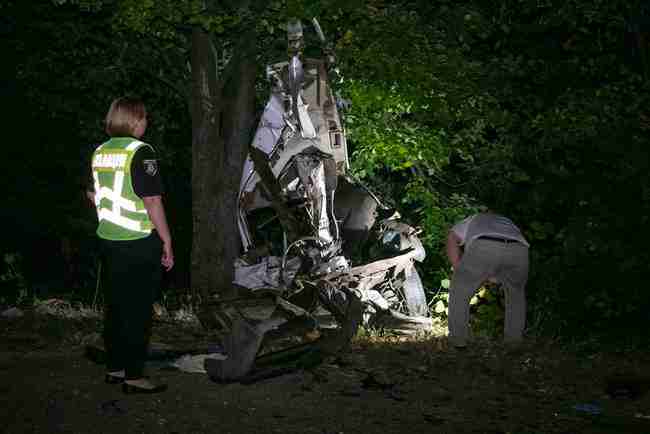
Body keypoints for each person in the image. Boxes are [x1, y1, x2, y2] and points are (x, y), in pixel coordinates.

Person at [88, 97, 173, 394]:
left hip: (108, 240)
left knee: (115, 307)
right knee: (137, 310)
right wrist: (167, 240)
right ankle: (134, 376)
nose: (146, 123)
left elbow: (93, 194)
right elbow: (152, 200)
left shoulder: (100, 152)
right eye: (144, 118)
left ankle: (115, 367)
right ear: (135, 121)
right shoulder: (141, 151)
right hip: (138, 240)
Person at [446, 211, 529, 348]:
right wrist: (490, 276)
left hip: (485, 244)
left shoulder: (473, 218)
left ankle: (457, 340)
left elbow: (452, 238)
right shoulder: (506, 221)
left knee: (459, 290)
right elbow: (501, 258)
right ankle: (514, 341)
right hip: (519, 248)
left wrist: (458, 269)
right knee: (516, 295)